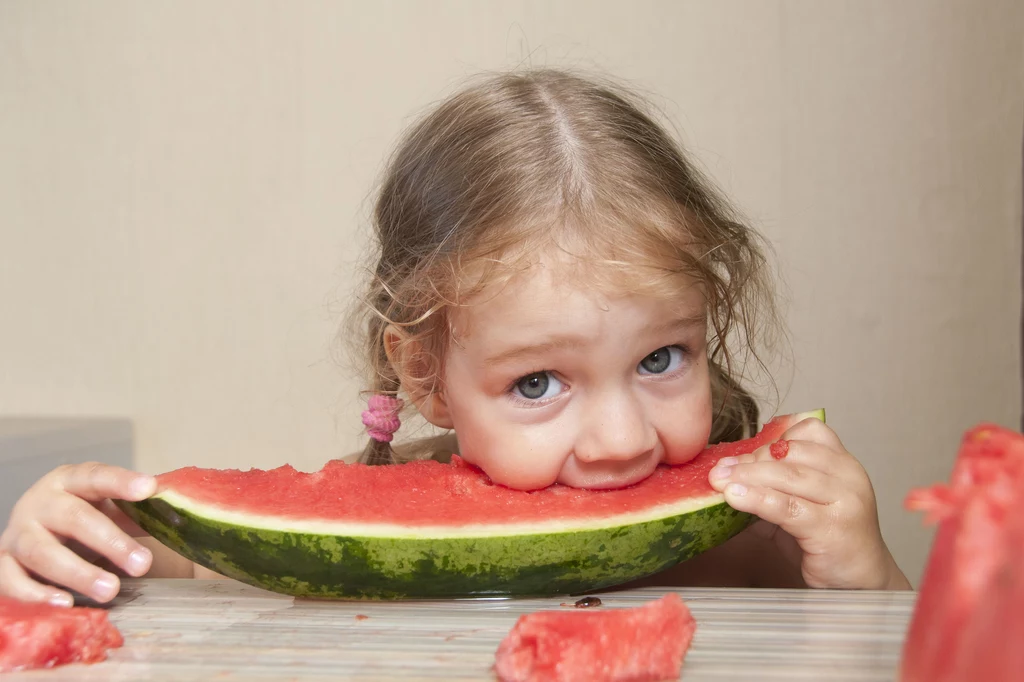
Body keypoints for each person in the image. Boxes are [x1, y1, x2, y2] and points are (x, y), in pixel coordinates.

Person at [0, 69, 911, 606]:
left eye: (661, 359)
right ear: (427, 374)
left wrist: (867, 577)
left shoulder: (758, 545)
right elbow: (176, 562)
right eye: (537, 384)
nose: (625, 439)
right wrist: (88, 538)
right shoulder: (370, 532)